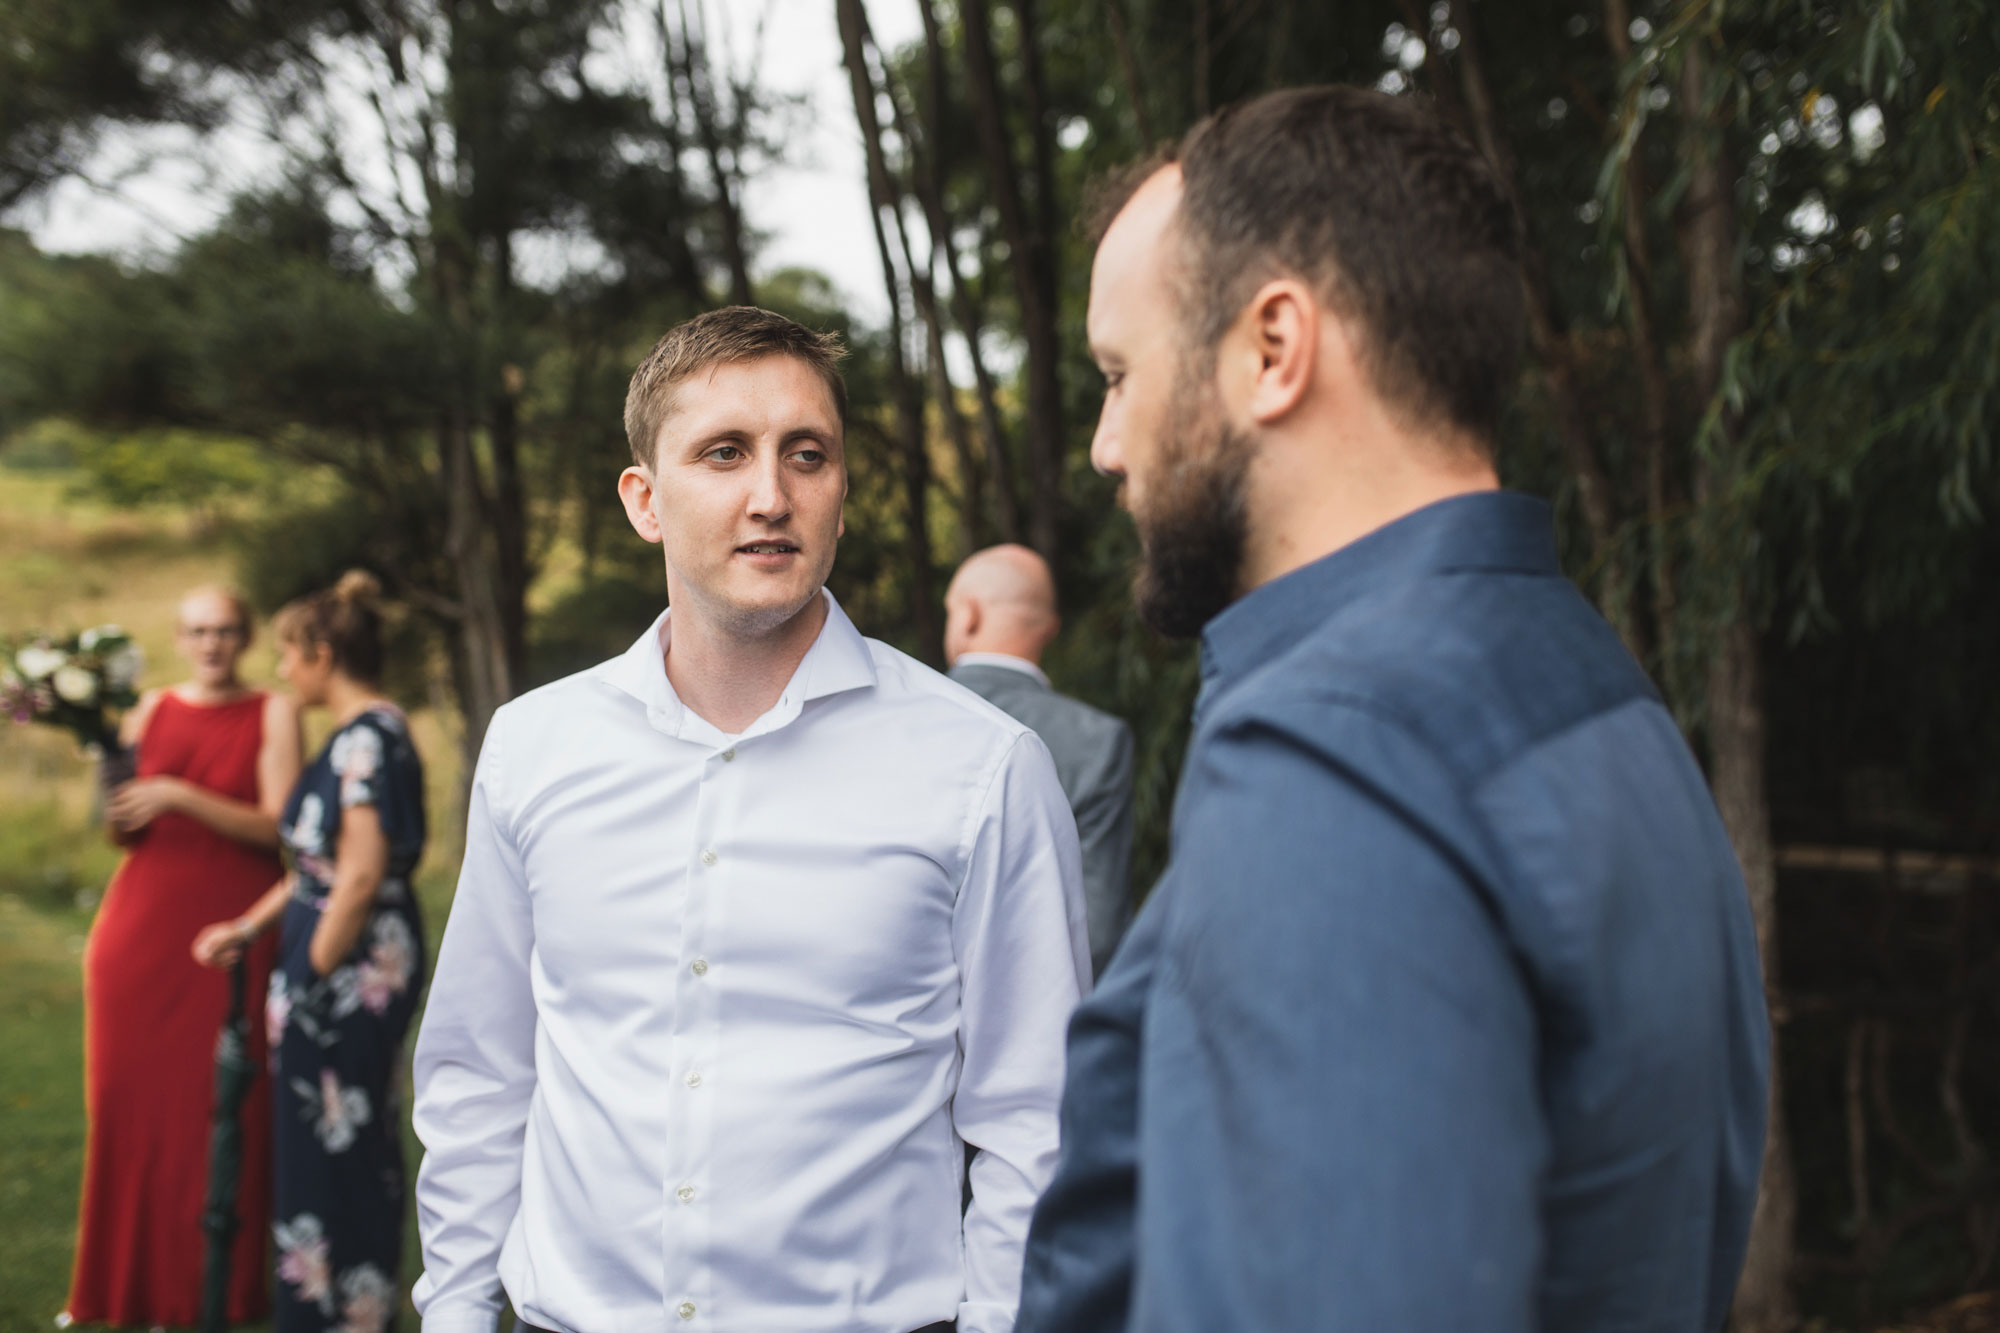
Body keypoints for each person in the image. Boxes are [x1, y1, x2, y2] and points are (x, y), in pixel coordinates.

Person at [1017, 87, 1771, 1333]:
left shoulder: (1336, 750)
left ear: (1271, 349)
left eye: (1116, 374)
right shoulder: (1602, 697)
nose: (1105, 445)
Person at [410, 306, 1088, 1333]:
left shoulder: (981, 768)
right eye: (723, 453)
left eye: (804, 455)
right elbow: (480, 1071)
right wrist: (455, 1316)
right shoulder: (532, 748)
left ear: (841, 494)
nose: (769, 496)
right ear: (644, 499)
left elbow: (1032, 1119)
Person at [193, 570, 427, 1332]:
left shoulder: (365, 738)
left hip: (347, 975)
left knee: (340, 1146)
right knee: (322, 1143)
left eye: (291, 654)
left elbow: (357, 876)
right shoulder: (365, 734)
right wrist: (252, 928)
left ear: (323, 653)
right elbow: (316, 871)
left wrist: (311, 971)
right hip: (335, 960)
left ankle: (345, 1315)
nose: (282, 670)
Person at [64, 587, 300, 1328]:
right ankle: (121, 1291)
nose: (212, 644)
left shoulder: (276, 711)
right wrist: (123, 803)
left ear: (247, 636)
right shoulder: (147, 710)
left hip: (232, 932)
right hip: (138, 936)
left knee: (222, 1109)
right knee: (128, 1115)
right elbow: (128, 833)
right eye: (199, 630)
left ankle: (211, 1295)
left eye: (227, 630)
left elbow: (279, 830)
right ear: (178, 636)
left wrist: (176, 792)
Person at [944, 544, 1135, 975]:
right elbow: (1098, 931)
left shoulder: (899, 717)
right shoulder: (1098, 742)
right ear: (1050, 629)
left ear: (967, 615)